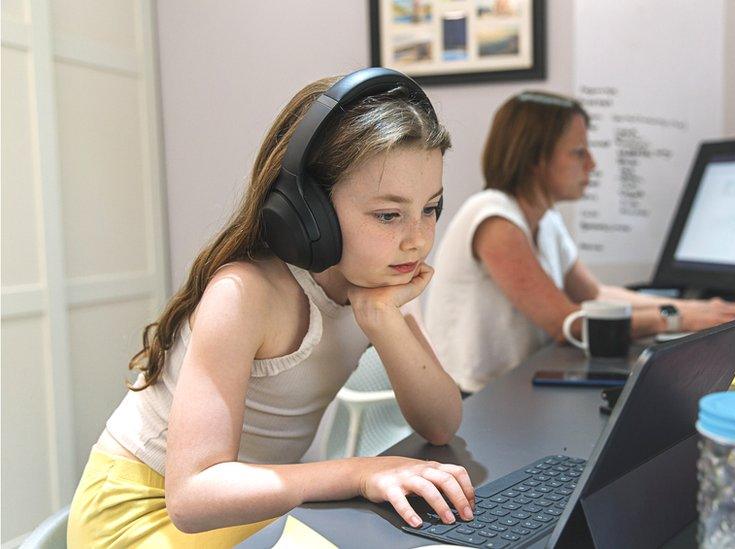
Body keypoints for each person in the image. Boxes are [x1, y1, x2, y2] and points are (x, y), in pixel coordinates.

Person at [67, 69, 475, 547]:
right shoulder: (245, 294)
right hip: (140, 517)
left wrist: (382, 319)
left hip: (244, 504)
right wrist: (360, 472)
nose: (418, 239)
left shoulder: (377, 281)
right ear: (310, 211)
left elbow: (441, 423)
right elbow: (192, 496)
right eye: (388, 215)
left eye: (430, 207)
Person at [425, 91, 735, 394]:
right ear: (536, 158)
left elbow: (594, 294)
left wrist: (692, 308)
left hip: (519, 386)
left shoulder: (546, 220)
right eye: (579, 152)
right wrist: (678, 320)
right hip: (476, 399)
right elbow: (565, 322)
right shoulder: (493, 218)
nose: (592, 165)